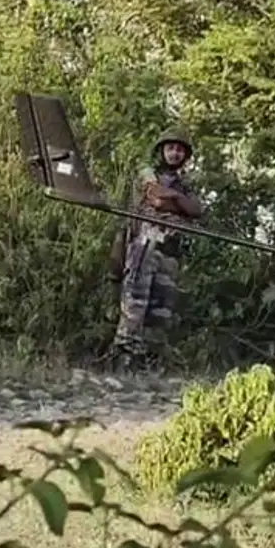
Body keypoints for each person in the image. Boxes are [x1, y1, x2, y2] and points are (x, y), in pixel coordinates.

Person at [110, 128, 204, 371]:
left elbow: (196, 210)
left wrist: (174, 197)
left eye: (180, 150)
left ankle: (148, 363)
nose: (175, 153)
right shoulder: (147, 173)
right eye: (171, 148)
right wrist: (176, 202)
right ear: (162, 150)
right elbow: (157, 200)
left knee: (161, 309)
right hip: (146, 244)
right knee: (135, 302)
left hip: (170, 251)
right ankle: (125, 359)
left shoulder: (185, 185)